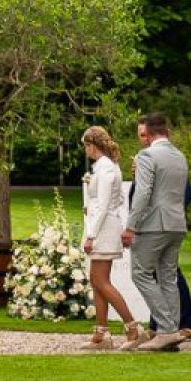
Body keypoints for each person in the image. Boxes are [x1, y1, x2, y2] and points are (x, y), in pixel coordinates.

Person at [126, 115, 191, 351]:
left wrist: (130, 225)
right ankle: (171, 332)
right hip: (177, 224)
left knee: (140, 273)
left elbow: (143, 193)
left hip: (154, 224)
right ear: (167, 132)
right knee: (168, 278)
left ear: (151, 133)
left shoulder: (147, 156)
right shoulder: (180, 156)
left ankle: (165, 328)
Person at [77, 128, 140, 350]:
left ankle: (133, 327)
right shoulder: (106, 167)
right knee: (96, 280)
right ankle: (101, 332)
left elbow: (104, 205)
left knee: (101, 281)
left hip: (102, 230)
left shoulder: (105, 169)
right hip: (101, 227)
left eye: (86, 145)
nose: (85, 150)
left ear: (94, 144)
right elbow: (116, 199)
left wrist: (91, 235)